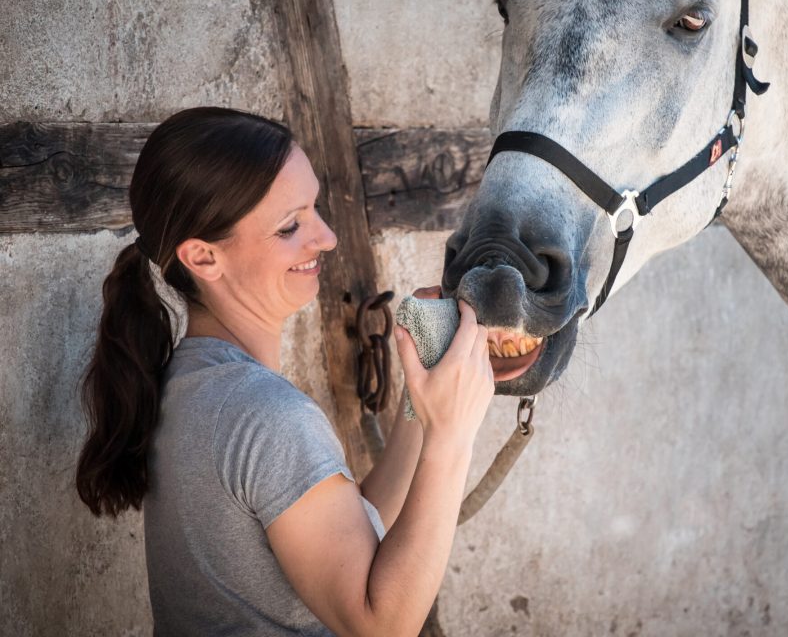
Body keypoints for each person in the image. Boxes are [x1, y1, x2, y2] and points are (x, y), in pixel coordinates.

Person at [75, 107, 494, 636]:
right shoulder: (268, 416)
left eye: (314, 208)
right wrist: (454, 437)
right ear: (203, 257)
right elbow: (383, 625)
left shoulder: (188, 381)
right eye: (290, 226)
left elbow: (346, 535)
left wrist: (423, 403)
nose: (327, 238)